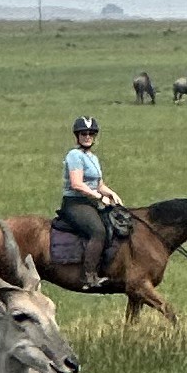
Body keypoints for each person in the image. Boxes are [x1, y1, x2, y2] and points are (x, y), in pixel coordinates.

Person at [57, 118, 126, 282]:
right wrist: (99, 197)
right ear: (77, 135)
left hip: (91, 202)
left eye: (91, 134)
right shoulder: (74, 155)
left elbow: (99, 184)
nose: (87, 136)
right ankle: (89, 275)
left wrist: (111, 194)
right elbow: (77, 184)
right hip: (76, 203)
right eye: (83, 133)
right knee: (98, 231)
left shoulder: (92, 157)